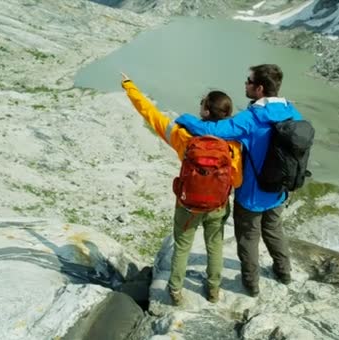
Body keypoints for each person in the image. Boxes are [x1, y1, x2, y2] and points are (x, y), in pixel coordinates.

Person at [174, 64, 303, 297]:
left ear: (259, 88)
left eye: (249, 81)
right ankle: (284, 272)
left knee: (248, 238)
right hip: (278, 191)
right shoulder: (292, 112)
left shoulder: (252, 118)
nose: (245, 84)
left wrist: (183, 118)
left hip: (251, 194)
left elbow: (212, 129)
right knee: (274, 230)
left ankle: (251, 285)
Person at [120, 73, 243, 305]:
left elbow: (151, 114)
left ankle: (175, 291)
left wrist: (130, 87)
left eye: (202, 103)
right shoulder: (233, 145)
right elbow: (236, 181)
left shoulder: (183, 136)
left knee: (182, 246)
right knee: (215, 246)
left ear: (206, 111)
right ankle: (214, 290)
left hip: (188, 205)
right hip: (218, 205)